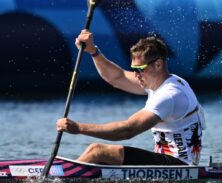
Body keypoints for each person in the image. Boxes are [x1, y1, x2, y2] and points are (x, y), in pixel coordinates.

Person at [56, 29, 205, 166]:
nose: (136, 74)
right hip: (170, 164)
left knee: (97, 151)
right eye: (134, 69)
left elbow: (129, 130)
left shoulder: (169, 95)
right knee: (97, 182)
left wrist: (79, 128)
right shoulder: (162, 82)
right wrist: (93, 51)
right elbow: (117, 77)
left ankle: (61, 178)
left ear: (158, 64)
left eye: (139, 69)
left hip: (179, 166)